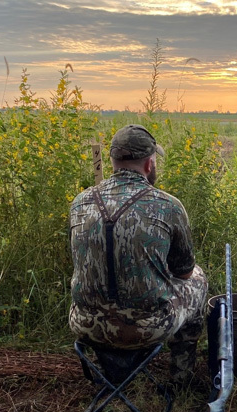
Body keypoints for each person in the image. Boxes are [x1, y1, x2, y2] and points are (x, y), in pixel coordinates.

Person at [68, 124, 208, 386]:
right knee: (198, 279)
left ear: (113, 162)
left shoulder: (80, 202)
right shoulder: (168, 205)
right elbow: (184, 272)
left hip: (86, 324)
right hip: (147, 328)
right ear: (149, 164)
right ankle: (181, 377)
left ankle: (104, 372)